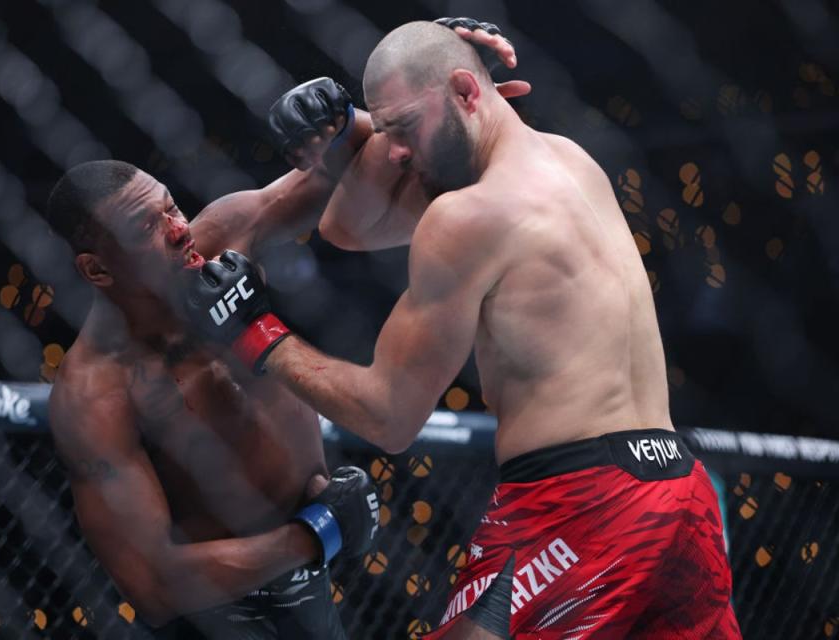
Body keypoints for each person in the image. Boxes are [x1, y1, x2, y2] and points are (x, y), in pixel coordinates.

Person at [183, 20, 742, 639]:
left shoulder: (466, 217)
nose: (393, 150)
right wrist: (350, 134)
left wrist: (253, 330)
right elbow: (349, 227)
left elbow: (388, 417)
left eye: (402, 128)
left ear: (466, 92)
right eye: (385, 130)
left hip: (578, 501)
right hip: (678, 488)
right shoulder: (571, 160)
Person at [44, 19, 517, 640]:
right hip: (219, 617)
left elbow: (337, 172)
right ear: (97, 270)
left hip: (312, 585)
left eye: (172, 208)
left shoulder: (222, 236)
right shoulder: (95, 391)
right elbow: (154, 583)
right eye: (149, 229)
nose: (180, 230)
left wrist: (422, 96)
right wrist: (314, 534)